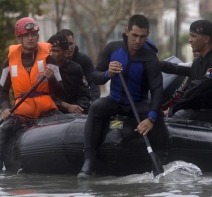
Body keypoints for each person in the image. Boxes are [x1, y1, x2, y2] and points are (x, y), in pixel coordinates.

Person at [77, 14, 163, 178]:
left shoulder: (150, 58)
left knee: (157, 116)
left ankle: (159, 161)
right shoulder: (112, 48)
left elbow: (158, 91)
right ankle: (88, 162)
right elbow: (95, 76)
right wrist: (108, 73)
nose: (138, 40)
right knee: (96, 107)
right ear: (127, 31)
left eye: (142, 36)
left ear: (147, 35)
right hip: (115, 101)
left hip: (138, 103)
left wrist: (151, 118)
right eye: (135, 35)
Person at [0, 17, 64, 171]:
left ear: (38, 36)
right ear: (19, 38)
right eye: (27, 35)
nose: (31, 38)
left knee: (64, 123)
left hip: (46, 110)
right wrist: (5, 108)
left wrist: (51, 79)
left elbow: (60, 91)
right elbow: (2, 91)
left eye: (34, 34)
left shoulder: (49, 58)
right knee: (5, 130)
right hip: (22, 112)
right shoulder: (10, 63)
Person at [161, 20, 212, 127]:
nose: (190, 40)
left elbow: (200, 90)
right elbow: (189, 87)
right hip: (204, 111)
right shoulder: (198, 62)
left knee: (181, 115)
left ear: (206, 39)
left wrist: (173, 108)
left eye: (193, 36)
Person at [47, 33, 91, 114]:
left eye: (55, 51)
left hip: (73, 114)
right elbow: (44, 96)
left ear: (66, 53)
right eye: (50, 50)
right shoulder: (43, 69)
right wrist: (66, 106)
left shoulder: (75, 68)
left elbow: (84, 94)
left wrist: (78, 108)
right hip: (51, 111)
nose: (51, 54)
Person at [57, 29, 101, 103]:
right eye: (66, 44)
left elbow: (93, 82)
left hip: (81, 102)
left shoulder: (84, 59)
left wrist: (95, 102)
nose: (69, 48)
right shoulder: (53, 62)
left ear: (75, 43)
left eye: (71, 44)